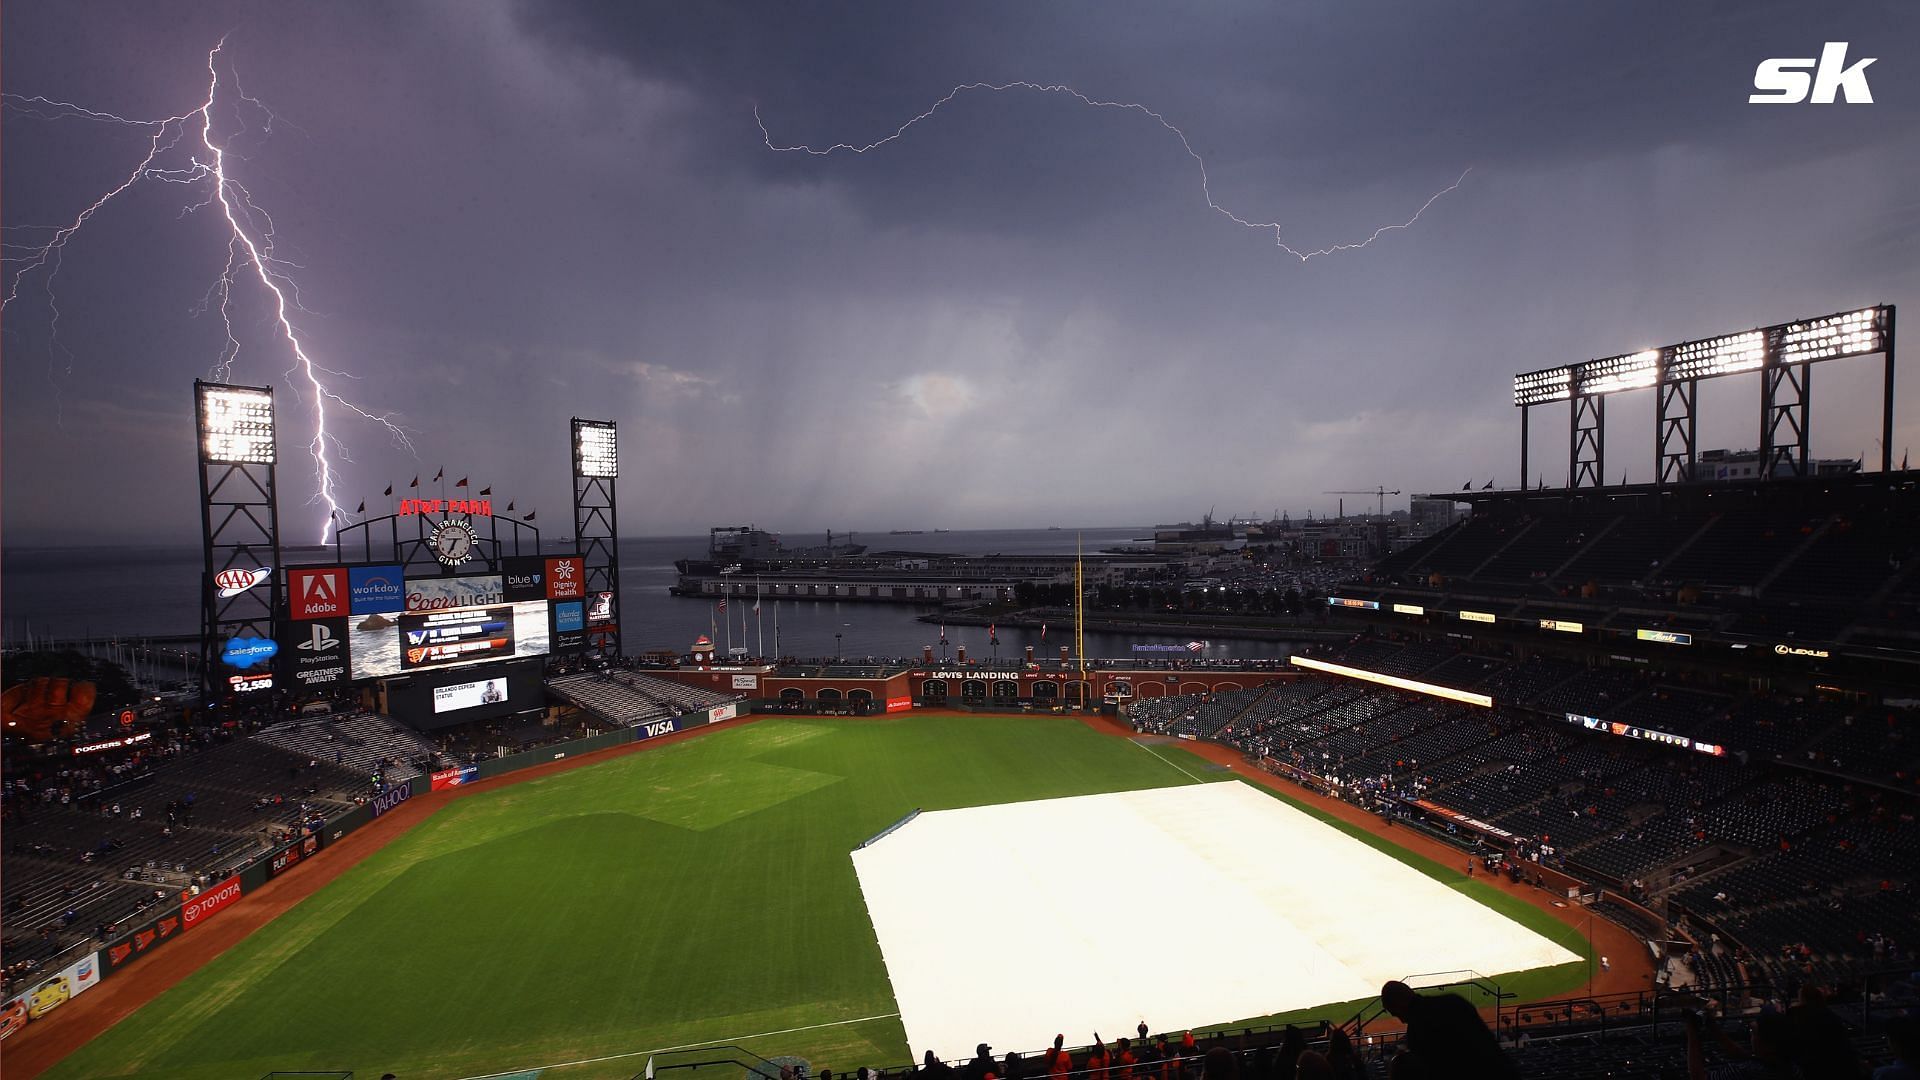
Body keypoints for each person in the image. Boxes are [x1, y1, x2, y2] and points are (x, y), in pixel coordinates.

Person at [1379, 980, 1518, 1079]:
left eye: (1396, 1013)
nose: (1401, 1019)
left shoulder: (1416, 1031)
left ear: (1400, 1003)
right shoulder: (1453, 1001)